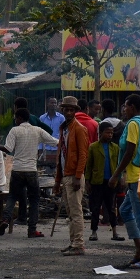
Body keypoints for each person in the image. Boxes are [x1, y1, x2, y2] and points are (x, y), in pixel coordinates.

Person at [110, 94, 140, 267]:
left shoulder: (132, 124)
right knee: (124, 210)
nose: (123, 110)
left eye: (125, 106)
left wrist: (116, 174)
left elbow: (130, 151)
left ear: (131, 107)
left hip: (136, 176)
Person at [0, 108, 57, 238]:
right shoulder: (38, 130)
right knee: (34, 200)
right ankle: (32, 230)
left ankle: (5, 220)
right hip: (31, 170)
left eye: (15, 117)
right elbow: (55, 141)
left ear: (18, 118)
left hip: (17, 169)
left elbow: (7, 149)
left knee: (12, 196)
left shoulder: (14, 130)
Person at [56, 96, 89, 256]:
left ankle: (78, 244)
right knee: (70, 212)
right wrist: (58, 180)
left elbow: (83, 154)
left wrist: (77, 175)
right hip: (66, 175)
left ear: (76, 111)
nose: (68, 112)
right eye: (66, 109)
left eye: (71, 110)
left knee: (76, 212)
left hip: (74, 175)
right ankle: (73, 242)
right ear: (62, 110)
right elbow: (60, 156)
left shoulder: (79, 129)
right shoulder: (65, 128)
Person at [86, 121, 124, 243]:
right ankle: (93, 232)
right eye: (107, 132)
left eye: (111, 133)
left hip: (110, 182)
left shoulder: (115, 148)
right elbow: (89, 166)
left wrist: (119, 178)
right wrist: (87, 181)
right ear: (100, 133)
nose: (110, 135)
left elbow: (119, 165)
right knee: (95, 208)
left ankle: (114, 231)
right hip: (97, 181)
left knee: (111, 207)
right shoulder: (93, 147)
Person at [38, 97, 64, 163]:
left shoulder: (61, 118)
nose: (53, 104)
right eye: (52, 103)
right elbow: (39, 134)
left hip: (58, 148)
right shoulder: (42, 118)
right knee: (46, 170)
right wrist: (40, 149)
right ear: (47, 104)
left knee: (58, 169)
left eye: (55, 103)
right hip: (45, 149)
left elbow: (64, 133)